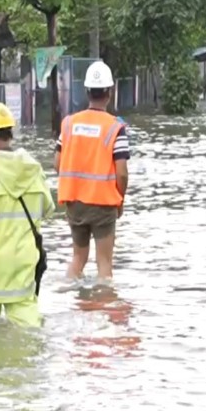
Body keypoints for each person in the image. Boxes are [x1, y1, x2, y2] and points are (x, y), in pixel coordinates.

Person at [0, 102, 54, 328]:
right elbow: (47, 209)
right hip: (22, 273)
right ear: (10, 134)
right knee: (30, 336)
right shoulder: (34, 171)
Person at [54, 60, 130, 281]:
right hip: (103, 204)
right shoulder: (116, 128)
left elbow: (57, 163)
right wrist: (120, 200)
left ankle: (69, 298)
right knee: (104, 264)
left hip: (75, 204)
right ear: (109, 92)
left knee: (78, 259)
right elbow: (122, 173)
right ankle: (103, 310)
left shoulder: (69, 124)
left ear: (87, 91)